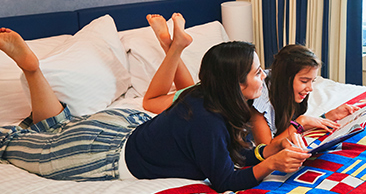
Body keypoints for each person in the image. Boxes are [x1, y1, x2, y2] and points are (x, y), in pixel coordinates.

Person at [0, 21, 309, 192]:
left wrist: (266, 151)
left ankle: (33, 69)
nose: (263, 76)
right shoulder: (208, 120)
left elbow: (230, 152)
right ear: (235, 84)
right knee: (28, 147)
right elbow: (226, 180)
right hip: (103, 154)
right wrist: (269, 164)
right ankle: (32, 68)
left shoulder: (207, 97)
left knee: (56, 128)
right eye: (257, 72)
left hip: (123, 128)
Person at [250, 44, 358, 146]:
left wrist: (329, 116)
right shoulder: (260, 99)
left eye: (313, 81)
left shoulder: (287, 91)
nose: (310, 88)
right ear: (285, 79)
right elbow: (266, 149)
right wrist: (300, 122)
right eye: (304, 81)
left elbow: (290, 129)